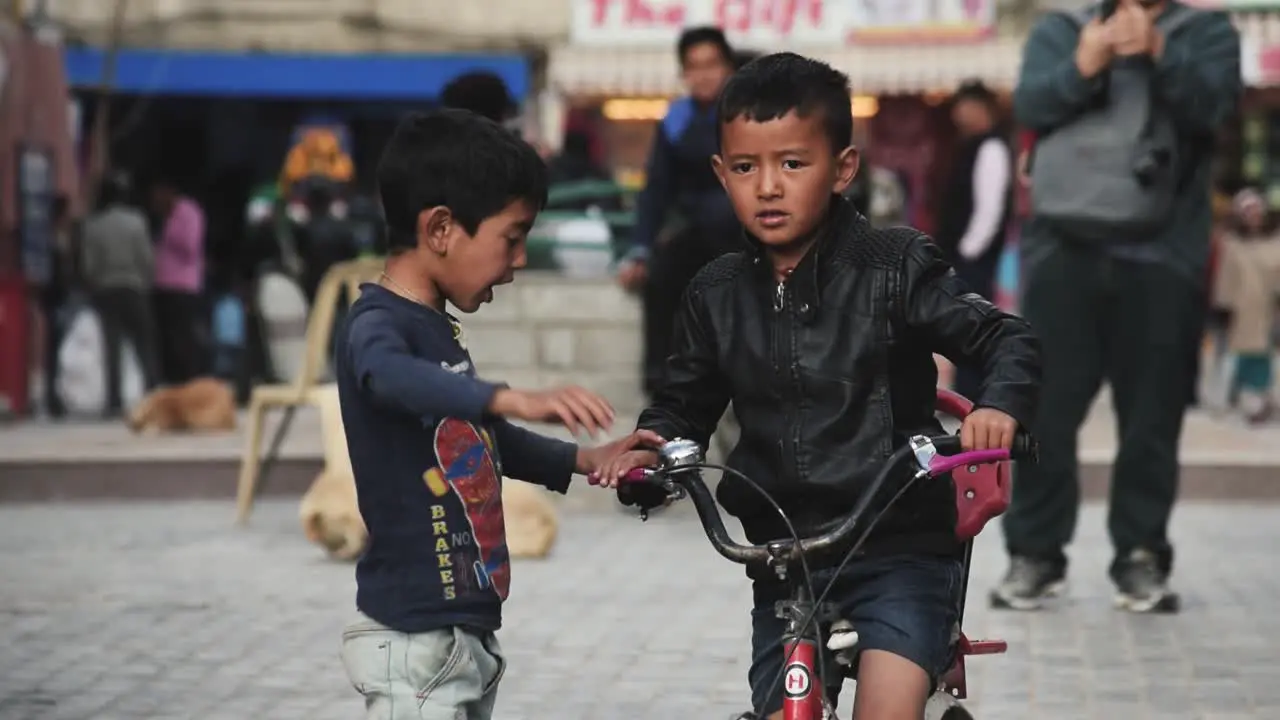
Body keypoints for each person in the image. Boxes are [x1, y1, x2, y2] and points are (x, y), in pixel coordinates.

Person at [595, 53, 1041, 720]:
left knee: (887, 709)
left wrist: (998, 406)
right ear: (721, 173)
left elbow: (1008, 337)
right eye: (746, 168)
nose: (768, 186)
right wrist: (656, 448)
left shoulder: (895, 266)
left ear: (843, 169)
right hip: (782, 559)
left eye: (793, 164)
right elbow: (683, 401)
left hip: (900, 544)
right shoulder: (715, 293)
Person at [335, 109, 663, 720]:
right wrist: (506, 395)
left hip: (460, 640)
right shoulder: (376, 327)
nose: (516, 262)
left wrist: (586, 459)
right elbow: (392, 377)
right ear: (440, 229)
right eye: (511, 239)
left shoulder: (432, 326)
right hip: (414, 643)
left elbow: (474, 439)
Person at [993, 0, 1240, 613]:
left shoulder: (1205, 32)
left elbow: (1217, 110)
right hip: (1063, 252)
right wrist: (1083, 65)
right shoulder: (1062, 28)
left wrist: (1160, 53)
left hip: (1163, 255)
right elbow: (1030, 106)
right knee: (1045, 409)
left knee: (1152, 415)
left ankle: (1141, 555)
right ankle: (1035, 554)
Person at [615, 26, 740, 397]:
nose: (703, 75)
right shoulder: (676, 118)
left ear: (728, 68)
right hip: (695, 231)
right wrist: (640, 249)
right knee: (662, 274)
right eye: (693, 66)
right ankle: (662, 385)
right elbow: (656, 189)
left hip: (745, 229)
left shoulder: (747, 112)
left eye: (711, 64)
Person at [937, 80, 1013, 400]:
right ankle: (964, 393)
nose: (959, 115)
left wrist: (967, 255)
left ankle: (973, 394)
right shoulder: (968, 146)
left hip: (973, 260)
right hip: (962, 257)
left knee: (972, 328)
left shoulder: (991, 148)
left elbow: (989, 208)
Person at [80, 177, 160, 416]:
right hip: (134, 288)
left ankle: (113, 401)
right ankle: (153, 393)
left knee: (111, 346)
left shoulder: (93, 225)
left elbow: (88, 265)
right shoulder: (137, 222)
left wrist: (94, 284)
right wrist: (146, 282)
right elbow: (146, 258)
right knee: (144, 343)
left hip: (106, 290)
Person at [1212, 188, 1280, 423]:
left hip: (1268, 310)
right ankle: (1238, 398)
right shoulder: (1231, 243)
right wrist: (1223, 306)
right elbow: (1226, 277)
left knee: (1264, 355)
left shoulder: (1275, 242)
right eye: (1248, 211)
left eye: (1256, 211)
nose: (1253, 216)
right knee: (1236, 355)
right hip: (1240, 310)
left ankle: (1262, 400)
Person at [150, 177, 208, 384]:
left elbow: (191, 246)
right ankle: (171, 378)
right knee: (167, 338)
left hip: (183, 286)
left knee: (183, 337)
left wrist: (170, 232)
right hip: (164, 285)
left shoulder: (188, 212)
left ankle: (188, 379)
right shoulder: (164, 217)